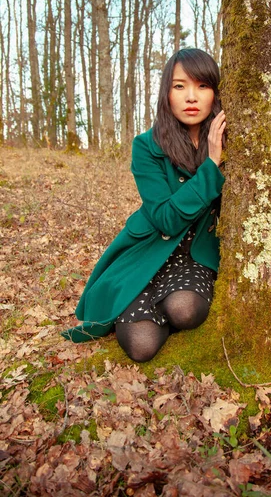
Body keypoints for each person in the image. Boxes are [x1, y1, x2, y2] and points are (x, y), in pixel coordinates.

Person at [62, 48, 226, 362]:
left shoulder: (236, 139)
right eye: (180, 86)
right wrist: (211, 165)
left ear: (215, 93)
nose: (191, 96)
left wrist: (216, 154)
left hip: (196, 257)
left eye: (202, 86)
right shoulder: (147, 146)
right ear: (167, 93)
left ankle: (156, 306)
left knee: (185, 309)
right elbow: (166, 218)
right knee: (141, 346)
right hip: (148, 253)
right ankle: (136, 301)